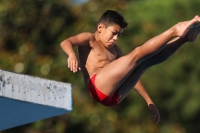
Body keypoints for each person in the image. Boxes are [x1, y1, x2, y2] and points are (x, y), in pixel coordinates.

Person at [60, 10, 200, 123]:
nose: (115, 39)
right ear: (100, 28)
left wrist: (148, 101)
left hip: (113, 98)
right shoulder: (89, 39)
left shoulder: (116, 51)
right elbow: (66, 42)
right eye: (114, 33)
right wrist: (71, 54)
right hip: (96, 86)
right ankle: (174, 30)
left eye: (118, 35)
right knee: (137, 54)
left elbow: (130, 76)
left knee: (145, 62)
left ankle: (185, 38)